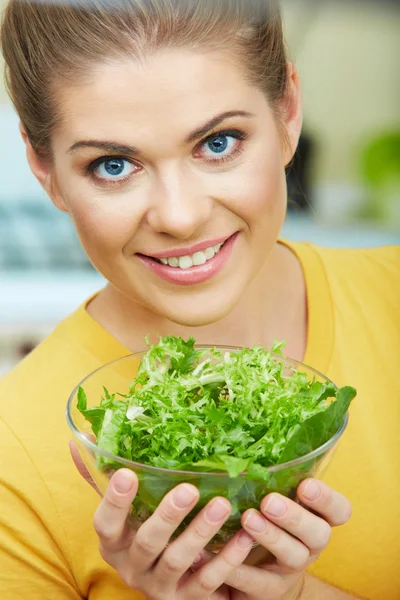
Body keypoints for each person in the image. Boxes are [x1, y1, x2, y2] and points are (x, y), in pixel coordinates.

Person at [0, 0, 399, 598]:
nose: (181, 217)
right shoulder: (13, 457)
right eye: (113, 165)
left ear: (287, 112)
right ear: (45, 168)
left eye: (219, 143)